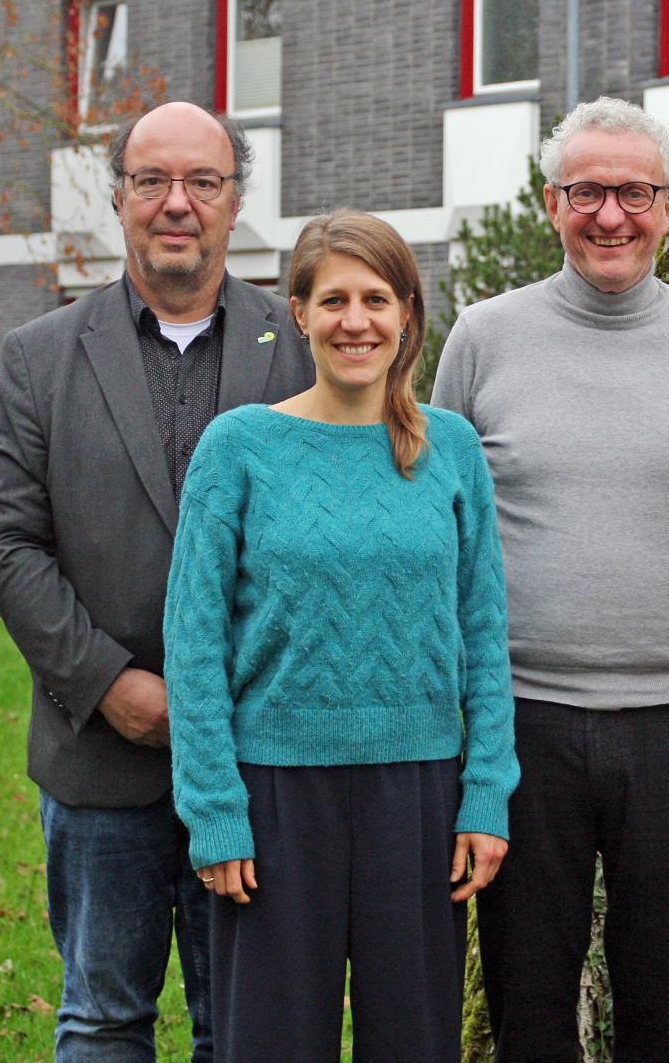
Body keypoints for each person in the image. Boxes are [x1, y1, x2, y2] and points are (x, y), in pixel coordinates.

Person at [0, 101, 313, 1061]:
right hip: (101, 758)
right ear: (116, 198)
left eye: (202, 182)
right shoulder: (38, 358)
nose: (177, 204)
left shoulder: (299, 345)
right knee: (102, 1019)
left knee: (238, 1025)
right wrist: (107, 683)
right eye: (152, 181)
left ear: (235, 201)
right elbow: (2, 539)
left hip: (257, 755)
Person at [433, 95, 669, 1059]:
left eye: (633, 192)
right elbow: (444, 528)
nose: (609, 215)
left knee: (663, 1005)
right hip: (519, 721)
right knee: (527, 1005)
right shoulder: (484, 338)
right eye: (587, 192)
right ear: (551, 202)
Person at [164, 210, 519, 1062]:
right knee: (274, 1042)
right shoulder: (240, 447)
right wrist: (213, 811)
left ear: (406, 313)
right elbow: (193, 641)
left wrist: (486, 793)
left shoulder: (452, 448)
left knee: (415, 1040)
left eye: (375, 299)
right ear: (299, 312)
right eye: (333, 300)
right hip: (276, 797)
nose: (354, 320)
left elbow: (486, 628)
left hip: (421, 798)